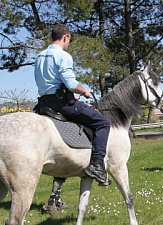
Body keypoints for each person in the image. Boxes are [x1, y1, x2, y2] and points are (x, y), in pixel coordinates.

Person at [34, 24, 111, 185]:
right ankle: (97, 165)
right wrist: (83, 91)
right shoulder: (63, 56)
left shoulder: (39, 56)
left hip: (43, 104)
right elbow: (70, 83)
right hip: (62, 104)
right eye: (69, 39)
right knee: (103, 123)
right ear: (66, 36)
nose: (69, 43)